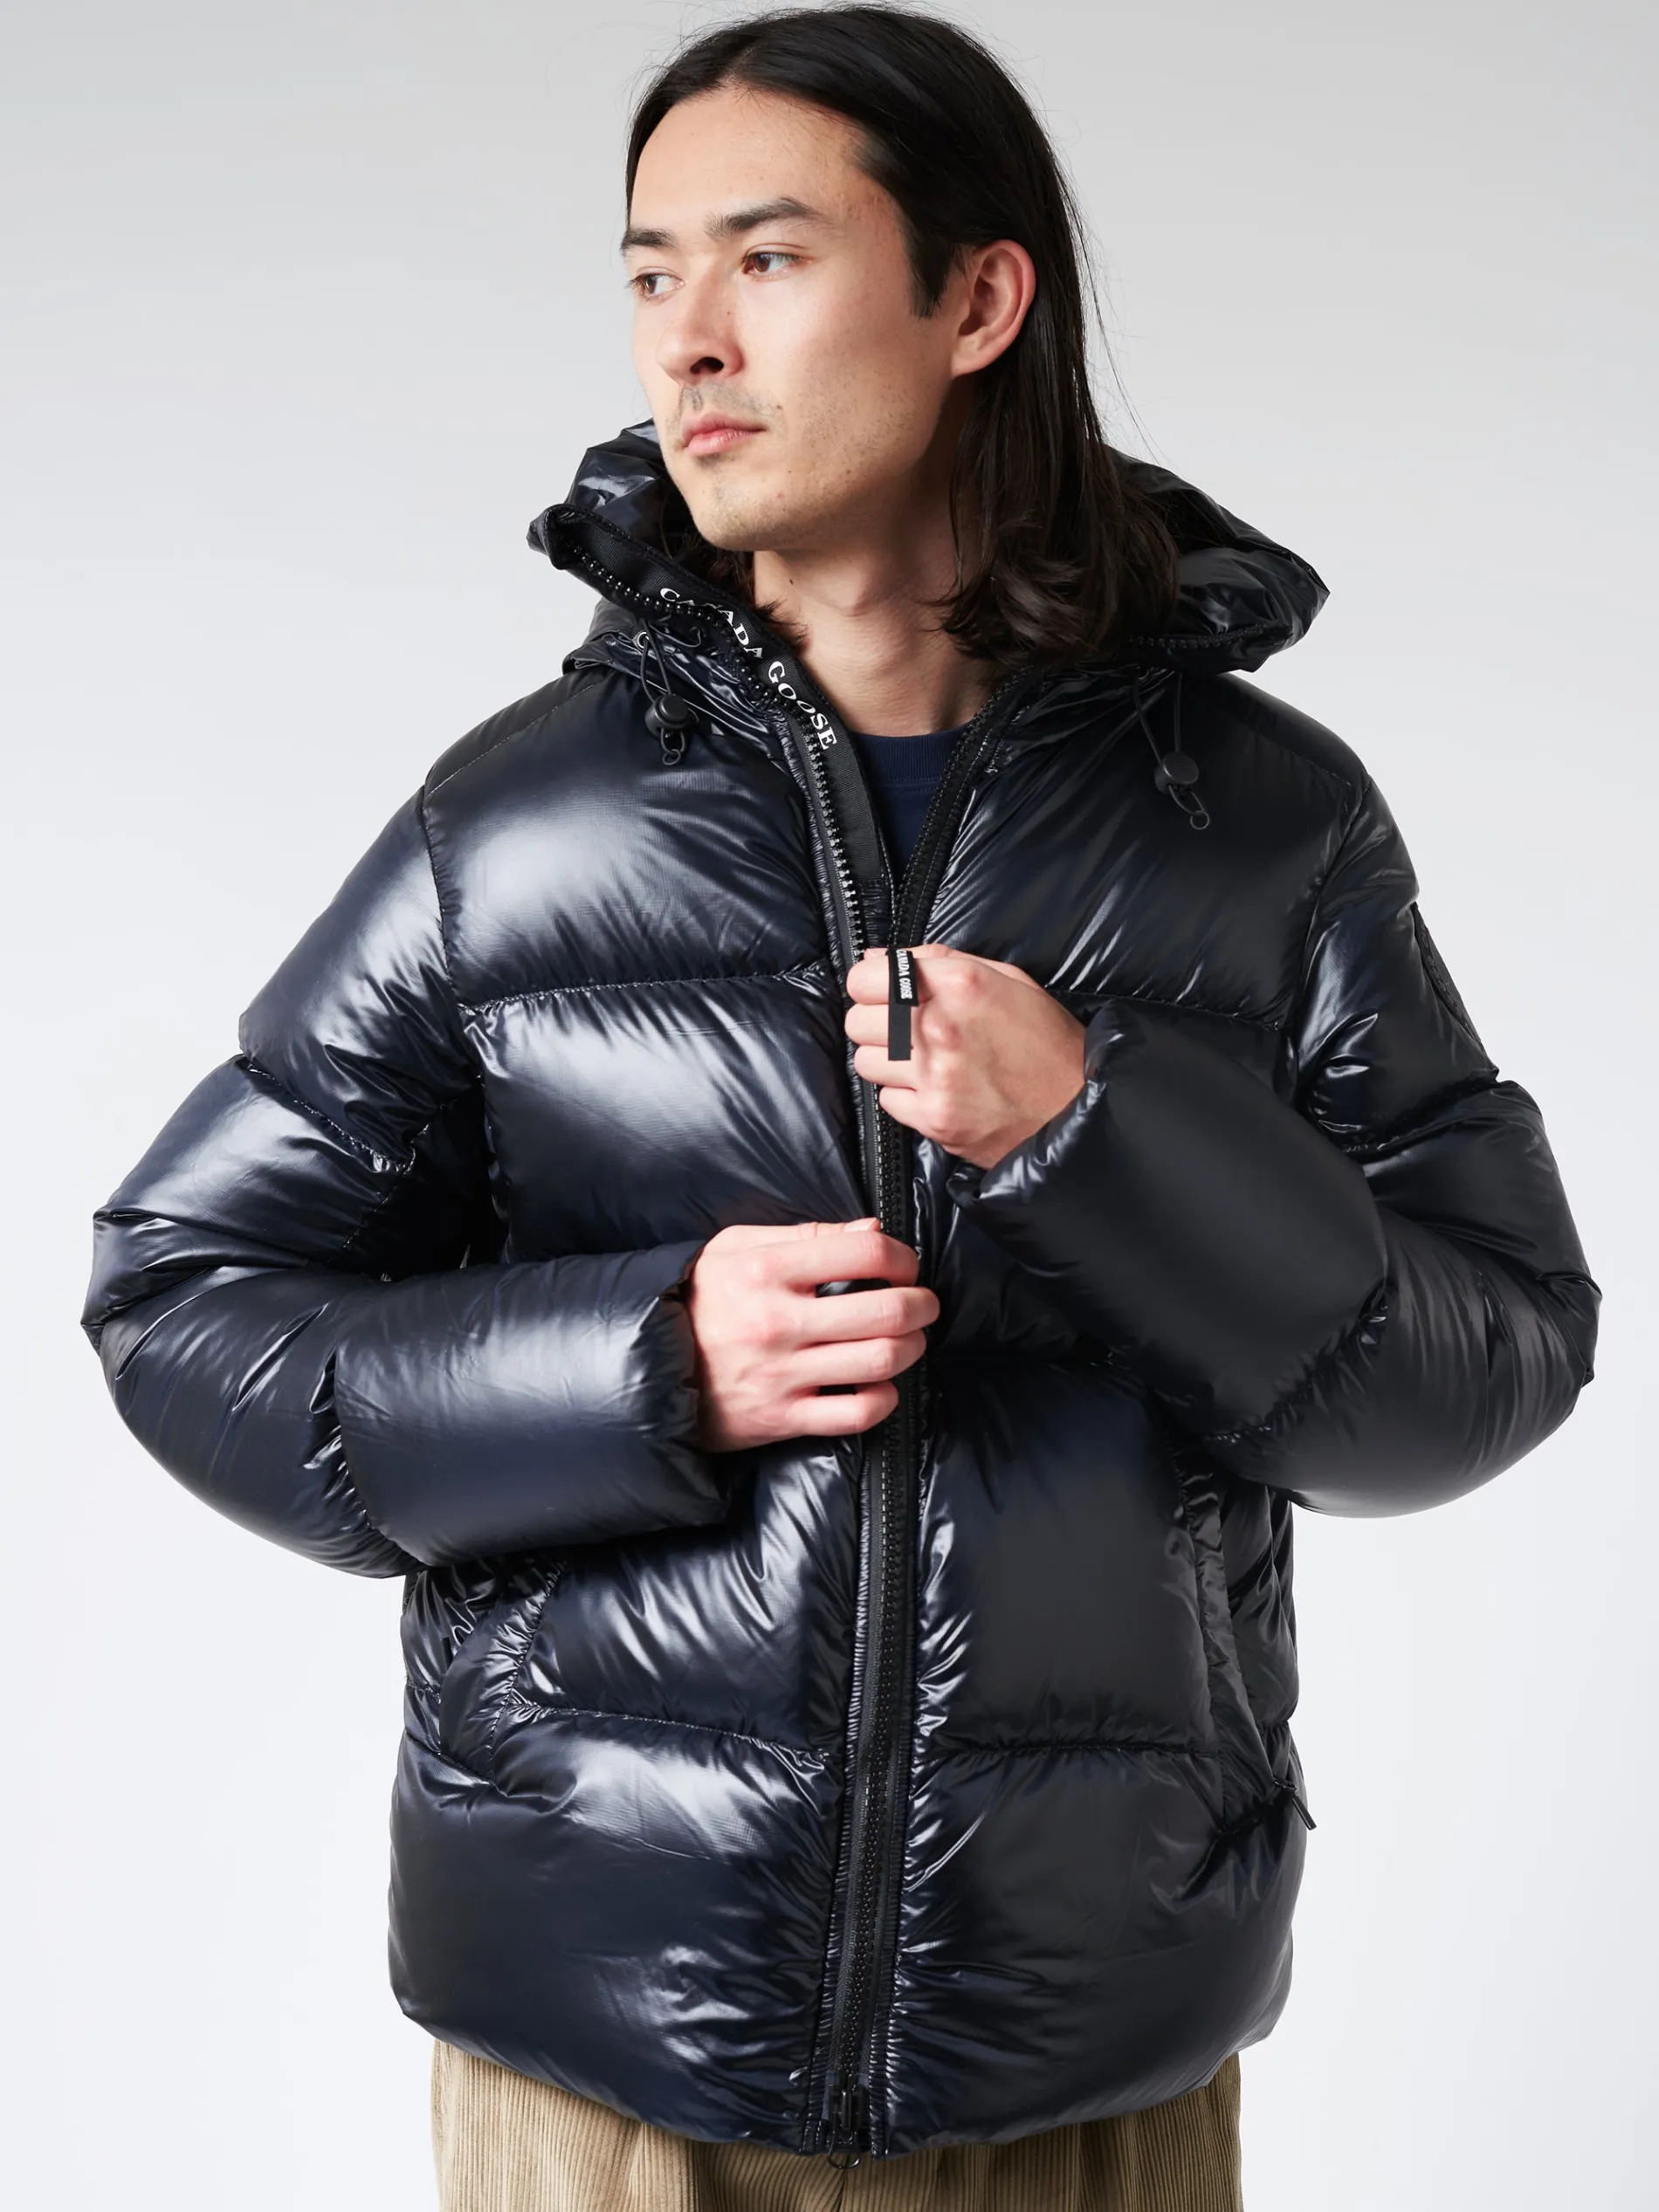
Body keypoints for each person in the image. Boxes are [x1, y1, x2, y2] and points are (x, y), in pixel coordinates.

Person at [81, 8, 1599, 2209]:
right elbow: (183, 1305)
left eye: (766, 259)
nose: (684, 340)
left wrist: (1100, 1133)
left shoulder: (1259, 827)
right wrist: (640, 1363)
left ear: (976, 300)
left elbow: (1489, 1360)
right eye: (648, 271)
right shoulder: (519, 828)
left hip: (1088, 2063)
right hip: (603, 2068)